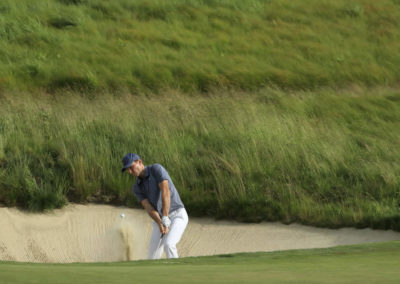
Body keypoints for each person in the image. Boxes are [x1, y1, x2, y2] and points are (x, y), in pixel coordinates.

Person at [121, 153, 188, 259]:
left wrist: (165, 216)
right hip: (161, 219)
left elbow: (165, 191)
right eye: (128, 170)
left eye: (131, 167)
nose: (130, 172)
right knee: (152, 257)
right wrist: (160, 222)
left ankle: (176, 272)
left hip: (177, 215)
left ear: (139, 162)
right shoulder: (137, 188)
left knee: (169, 244)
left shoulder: (156, 169)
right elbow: (149, 208)